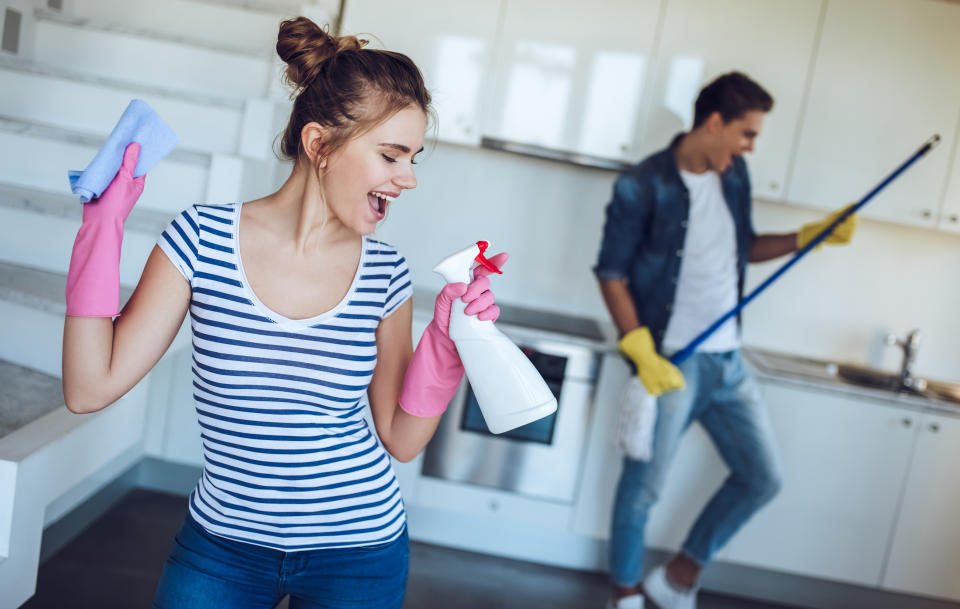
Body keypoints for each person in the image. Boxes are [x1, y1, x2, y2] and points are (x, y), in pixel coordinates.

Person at [61, 17, 506, 609]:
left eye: (414, 158)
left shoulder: (385, 274)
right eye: (392, 156)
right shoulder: (202, 242)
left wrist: (447, 346)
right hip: (221, 547)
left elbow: (401, 439)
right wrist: (102, 227)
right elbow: (88, 388)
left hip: (358, 550)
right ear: (319, 144)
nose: (408, 179)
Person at [594, 72, 858, 609]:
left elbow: (745, 248)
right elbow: (612, 272)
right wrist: (640, 348)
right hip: (673, 360)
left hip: (728, 362)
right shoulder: (641, 185)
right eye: (747, 133)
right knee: (642, 488)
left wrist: (807, 238)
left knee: (762, 477)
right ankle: (624, 595)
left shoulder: (733, 178)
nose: (751, 147)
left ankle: (676, 579)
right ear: (714, 123)